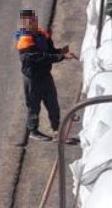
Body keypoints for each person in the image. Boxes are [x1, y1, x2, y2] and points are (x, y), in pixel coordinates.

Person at [16, 9, 76, 142]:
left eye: (34, 20)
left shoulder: (42, 34)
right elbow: (39, 58)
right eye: (29, 21)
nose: (32, 23)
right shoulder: (24, 41)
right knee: (34, 105)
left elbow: (50, 51)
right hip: (32, 78)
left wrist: (60, 51)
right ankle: (33, 130)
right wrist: (61, 56)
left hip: (45, 75)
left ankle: (57, 130)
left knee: (52, 103)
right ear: (23, 23)